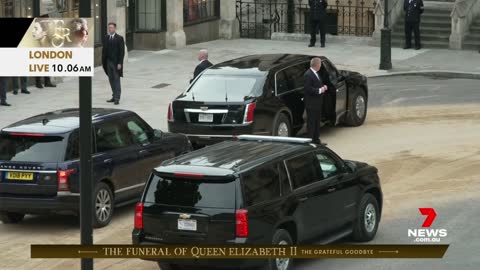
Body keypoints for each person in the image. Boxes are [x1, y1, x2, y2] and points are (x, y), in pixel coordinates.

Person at [304, 58, 328, 144]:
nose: (320, 66)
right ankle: (310, 141)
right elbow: (308, 89)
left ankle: (316, 139)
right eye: (320, 64)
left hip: (317, 103)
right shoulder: (308, 75)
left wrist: (323, 87)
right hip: (311, 104)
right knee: (311, 123)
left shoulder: (316, 73)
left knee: (317, 122)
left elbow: (318, 84)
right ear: (317, 65)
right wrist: (320, 90)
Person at [102, 22, 125, 105]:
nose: (110, 29)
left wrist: (120, 63)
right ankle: (113, 95)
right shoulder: (106, 38)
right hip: (108, 62)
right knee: (111, 79)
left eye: (111, 27)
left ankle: (117, 98)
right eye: (109, 28)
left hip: (116, 63)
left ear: (115, 28)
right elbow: (104, 51)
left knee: (116, 80)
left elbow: (121, 52)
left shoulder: (119, 38)